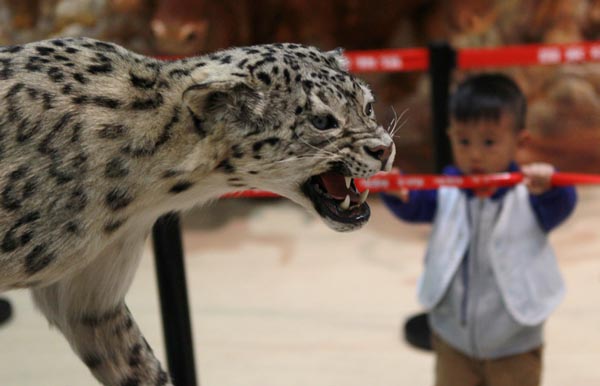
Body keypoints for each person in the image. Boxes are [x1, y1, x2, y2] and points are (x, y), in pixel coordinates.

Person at [381, 73, 577, 386]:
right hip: (452, 341)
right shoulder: (447, 189)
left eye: (488, 141)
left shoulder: (530, 195)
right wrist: (398, 191)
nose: (474, 154)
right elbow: (415, 203)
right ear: (450, 136)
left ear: (520, 142)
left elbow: (561, 204)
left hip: (515, 345)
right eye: (463, 140)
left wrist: (550, 184)